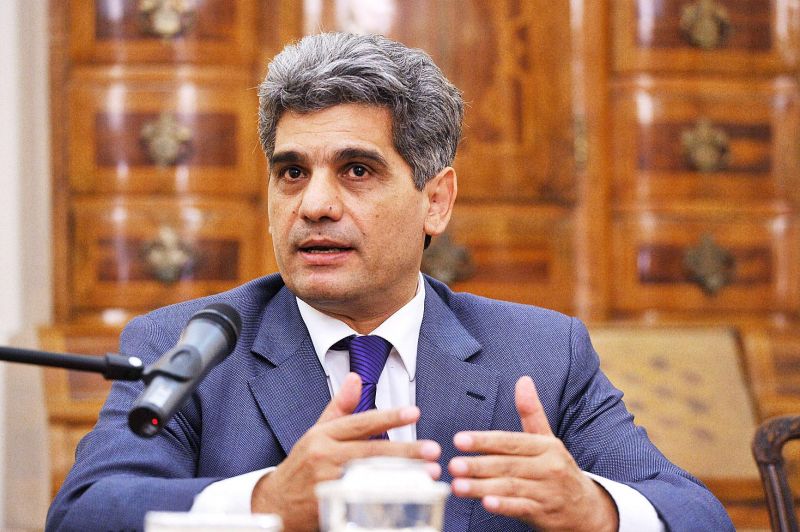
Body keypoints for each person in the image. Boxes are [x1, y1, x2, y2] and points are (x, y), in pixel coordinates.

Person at [46, 32, 733, 531]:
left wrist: (596, 509)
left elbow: (698, 514)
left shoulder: (543, 354)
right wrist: (263, 504)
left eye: (357, 170)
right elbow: (84, 514)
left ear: (436, 200)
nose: (314, 205)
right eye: (292, 173)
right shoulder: (191, 345)